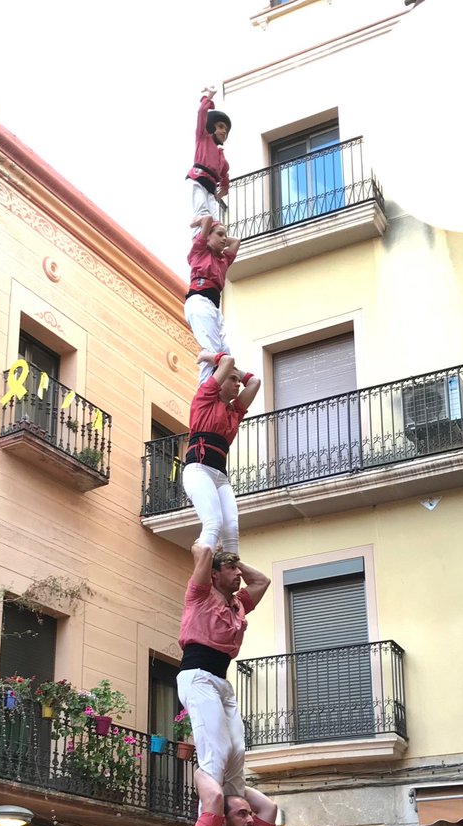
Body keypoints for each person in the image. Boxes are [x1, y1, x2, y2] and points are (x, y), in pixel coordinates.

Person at [177, 544, 268, 801]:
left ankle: (234, 815)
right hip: (197, 676)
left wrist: (235, 561)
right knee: (216, 749)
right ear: (214, 574)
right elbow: (203, 550)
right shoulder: (200, 595)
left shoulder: (238, 604)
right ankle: (209, 816)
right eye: (230, 569)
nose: (238, 574)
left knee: (237, 750)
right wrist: (216, 549)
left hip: (221, 681)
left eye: (237, 569)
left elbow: (262, 581)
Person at [182, 355, 261, 555]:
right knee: (213, 522)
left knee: (232, 529)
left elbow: (254, 382)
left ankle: (230, 574)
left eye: (237, 379)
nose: (238, 384)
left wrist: (233, 370)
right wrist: (209, 357)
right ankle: (203, 574)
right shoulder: (205, 398)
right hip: (199, 470)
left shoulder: (234, 411)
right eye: (232, 379)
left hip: (220, 476)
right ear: (219, 379)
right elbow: (227, 361)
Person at [185, 218, 240, 385]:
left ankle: (219, 389)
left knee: (226, 353)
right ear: (206, 237)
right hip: (200, 301)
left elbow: (236, 241)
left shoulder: (222, 260)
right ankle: (205, 392)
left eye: (225, 236)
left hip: (213, 307)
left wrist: (219, 235)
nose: (225, 239)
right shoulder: (199, 252)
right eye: (220, 235)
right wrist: (204, 225)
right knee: (211, 351)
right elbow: (208, 219)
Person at [187, 87, 231, 227]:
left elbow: (225, 181)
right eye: (220, 127)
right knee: (203, 213)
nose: (224, 131)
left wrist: (221, 193)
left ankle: (212, 245)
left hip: (211, 189)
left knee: (216, 222)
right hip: (198, 180)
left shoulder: (223, 160)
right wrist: (209, 96)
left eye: (226, 130)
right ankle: (198, 236)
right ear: (212, 127)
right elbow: (201, 113)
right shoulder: (203, 138)